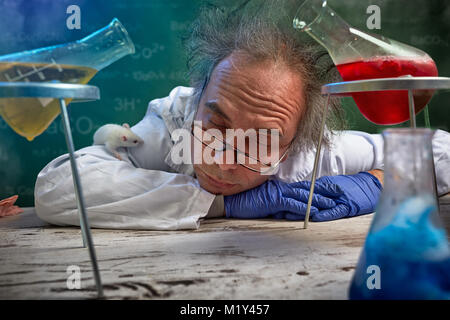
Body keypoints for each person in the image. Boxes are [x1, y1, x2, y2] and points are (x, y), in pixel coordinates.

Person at [34, 2, 450, 230]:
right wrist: (222, 205)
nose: (221, 160)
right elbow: (56, 188)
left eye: (262, 142)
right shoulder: (171, 126)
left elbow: (444, 150)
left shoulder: (311, 155)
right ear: (196, 101)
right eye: (215, 125)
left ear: (293, 145)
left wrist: (374, 183)